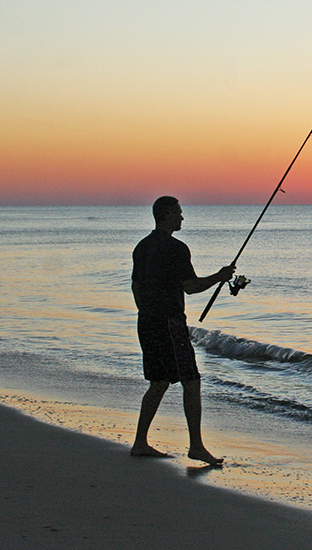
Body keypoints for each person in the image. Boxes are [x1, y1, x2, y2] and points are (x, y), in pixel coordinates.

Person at [130, 195, 235, 465]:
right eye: (178, 212)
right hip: (169, 322)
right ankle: (196, 447)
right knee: (191, 380)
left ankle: (140, 442)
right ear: (166, 215)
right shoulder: (176, 248)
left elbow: (136, 287)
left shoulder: (142, 247)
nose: (182, 217)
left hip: (146, 322)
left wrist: (147, 311)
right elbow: (191, 286)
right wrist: (220, 276)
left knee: (159, 382)